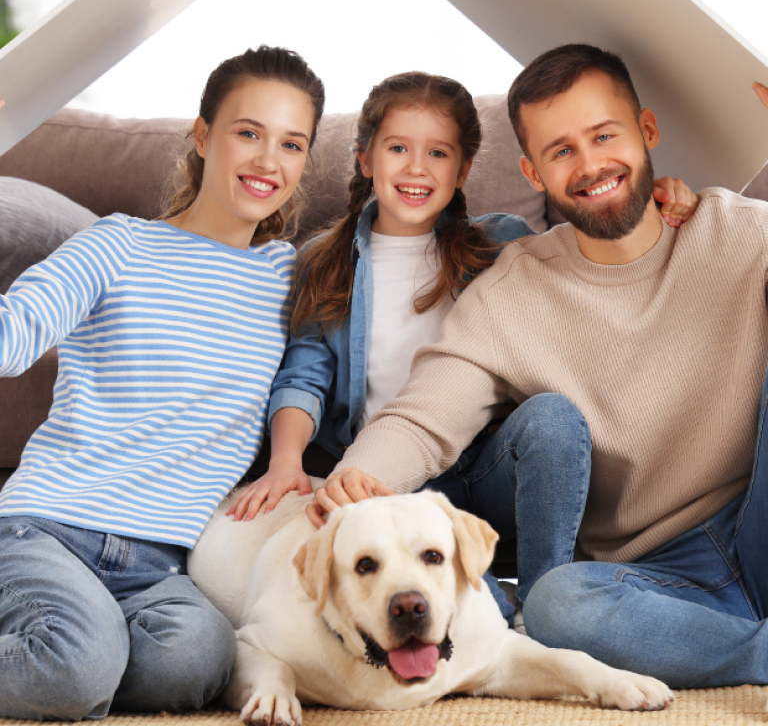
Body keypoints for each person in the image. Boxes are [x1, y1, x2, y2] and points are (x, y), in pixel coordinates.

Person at [307, 42, 768, 688]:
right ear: (532, 172)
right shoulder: (513, 289)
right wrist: (355, 478)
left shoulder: (744, 233)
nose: (590, 165)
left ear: (647, 130)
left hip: (756, 524)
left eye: (604, 135)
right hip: (641, 579)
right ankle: (755, 653)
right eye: (561, 151)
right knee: (554, 606)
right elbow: (423, 415)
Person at [227, 70, 696, 626]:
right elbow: (303, 377)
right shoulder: (322, 261)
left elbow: (592, 235)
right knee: (474, 617)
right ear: (365, 159)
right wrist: (285, 462)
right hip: (395, 481)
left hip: (490, 465)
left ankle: (550, 593)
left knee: (552, 417)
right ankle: (499, 607)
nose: (417, 168)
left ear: (464, 168)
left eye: (439, 153)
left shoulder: (502, 243)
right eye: (398, 148)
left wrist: (659, 195)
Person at [0, 45, 325, 720]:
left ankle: (77, 651)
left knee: (198, 665)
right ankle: (71, 657)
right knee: (72, 669)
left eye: (291, 143)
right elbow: (19, 328)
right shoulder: (117, 245)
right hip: (48, 527)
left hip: (162, 564)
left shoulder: (289, 277)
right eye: (248, 133)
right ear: (203, 135)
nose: (268, 161)